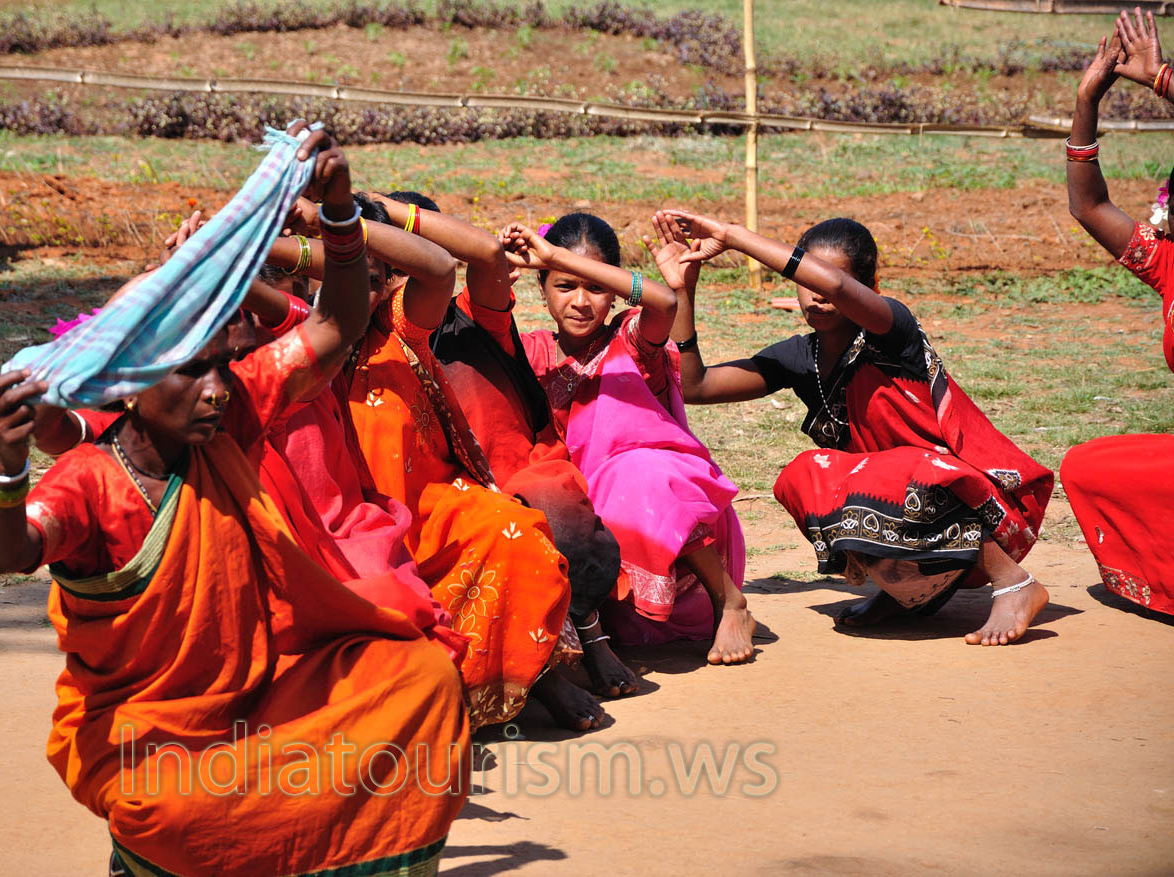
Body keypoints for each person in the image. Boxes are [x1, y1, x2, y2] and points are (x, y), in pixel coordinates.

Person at [0, 126, 470, 875]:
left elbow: (336, 324)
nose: (215, 389)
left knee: (422, 681)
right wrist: (6, 469)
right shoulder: (88, 478)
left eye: (224, 365)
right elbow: (10, 553)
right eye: (191, 373)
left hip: (260, 696)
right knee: (171, 810)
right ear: (131, 383)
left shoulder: (230, 415)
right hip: (148, 738)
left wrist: (340, 213)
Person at [663, 208, 1054, 645]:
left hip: (978, 502)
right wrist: (683, 290)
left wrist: (734, 237)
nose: (817, 294)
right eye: (805, 282)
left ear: (870, 288)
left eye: (824, 279)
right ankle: (907, 591)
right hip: (903, 499)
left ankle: (1015, 582)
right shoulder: (802, 357)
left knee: (891, 471)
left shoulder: (893, 329)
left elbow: (835, 286)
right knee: (806, 475)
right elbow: (694, 385)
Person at [325, 196, 599, 731]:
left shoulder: (399, 327)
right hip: (345, 517)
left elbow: (467, 258)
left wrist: (349, 214)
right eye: (346, 275)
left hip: (431, 509)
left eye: (376, 279)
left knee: (514, 531)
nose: (362, 291)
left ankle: (530, 677)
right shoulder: (306, 331)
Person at [367, 190, 638, 698]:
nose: (406, 281)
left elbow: (486, 255)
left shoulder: (474, 315)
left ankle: (590, 632)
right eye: (393, 268)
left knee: (552, 517)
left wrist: (366, 202)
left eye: (418, 262)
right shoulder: (357, 333)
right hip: (431, 490)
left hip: (513, 469)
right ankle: (541, 673)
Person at [502, 213, 754, 665]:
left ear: (615, 289)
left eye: (596, 287)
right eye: (564, 286)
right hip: (589, 524)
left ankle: (730, 600)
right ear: (541, 287)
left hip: (667, 513)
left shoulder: (631, 339)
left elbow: (664, 304)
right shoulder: (530, 351)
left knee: (635, 472)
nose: (581, 302)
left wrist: (557, 257)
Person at [1060, 12, 1174, 616]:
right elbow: (1089, 206)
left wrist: (1161, 80)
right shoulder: (1169, 264)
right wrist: (1087, 102)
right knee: (1089, 468)